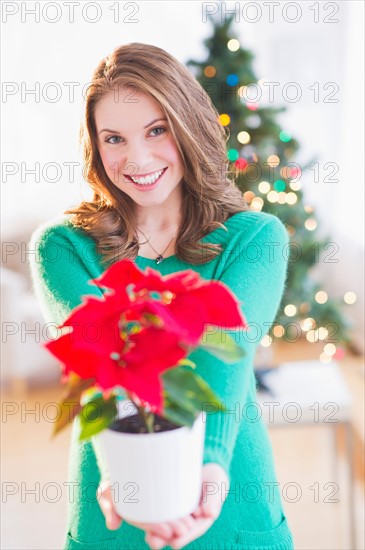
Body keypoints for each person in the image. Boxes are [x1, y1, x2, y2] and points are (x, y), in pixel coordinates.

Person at [29, 43, 294, 550]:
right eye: (115, 138)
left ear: (188, 126)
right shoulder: (63, 248)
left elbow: (226, 347)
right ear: (96, 147)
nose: (138, 158)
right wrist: (128, 472)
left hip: (231, 496)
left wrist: (210, 468)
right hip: (117, 494)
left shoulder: (254, 238)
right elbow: (100, 366)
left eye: (157, 130)